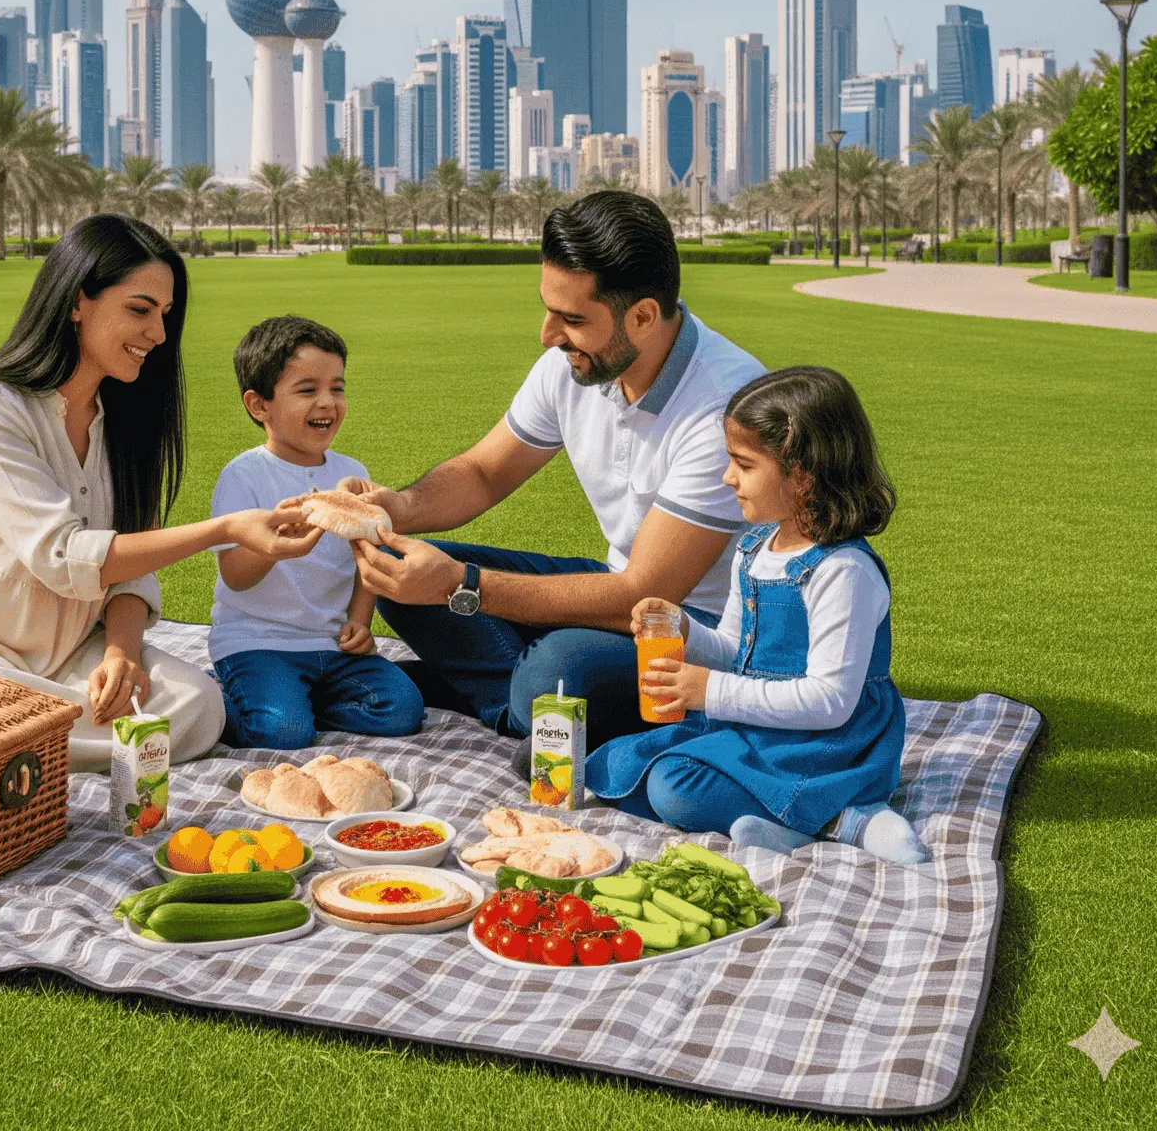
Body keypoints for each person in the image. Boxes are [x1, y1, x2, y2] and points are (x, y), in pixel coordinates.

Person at [0, 214, 323, 770]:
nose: (158, 335)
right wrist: (226, 529)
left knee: (200, 704)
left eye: (164, 315)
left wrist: (122, 652)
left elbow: (131, 568)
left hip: (70, 658)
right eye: (139, 310)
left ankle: (7, 754)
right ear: (76, 301)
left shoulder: (122, 425)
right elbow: (63, 557)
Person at [347, 190, 765, 753]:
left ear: (642, 315)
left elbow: (646, 593)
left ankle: (519, 697)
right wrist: (394, 508)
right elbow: (483, 472)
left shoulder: (723, 407)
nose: (547, 334)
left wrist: (463, 586)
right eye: (549, 308)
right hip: (615, 584)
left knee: (556, 669)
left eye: (571, 318)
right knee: (397, 562)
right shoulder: (571, 368)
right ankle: (529, 703)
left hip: (691, 627)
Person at [587, 366, 930, 864]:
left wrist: (708, 692)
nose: (729, 478)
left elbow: (830, 700)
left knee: (677, 786)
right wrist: (683, 629)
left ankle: (847, 817)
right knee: (630, 765)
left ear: (802, 476)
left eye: (743, 465)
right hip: (762, 728)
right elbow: (734, 651)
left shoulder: (843, 570)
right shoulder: (753, 548)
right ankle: (785, 826)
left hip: (827, 747)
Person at [208, 316, 426, 749]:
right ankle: (218, 696)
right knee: (282, 733)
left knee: (402, 710)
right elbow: (236, 576)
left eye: (337, 388)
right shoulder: (244, 476)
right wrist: (278, 540)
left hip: (331, 646)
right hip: (258, 642)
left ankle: (295, 704)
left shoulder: (352, 474)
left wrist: (360, 623)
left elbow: (367, 557)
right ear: (259, 405)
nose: (328, 402)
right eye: (307, 390)